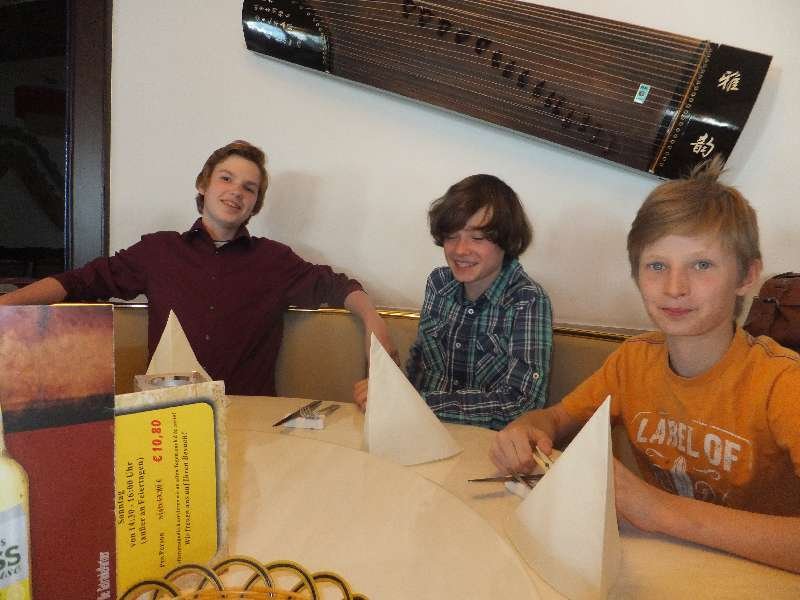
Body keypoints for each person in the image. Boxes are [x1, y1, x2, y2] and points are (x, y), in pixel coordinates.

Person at [490, 158, 800, 573]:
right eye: (657, 265)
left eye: (702, 265)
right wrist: (529, 427)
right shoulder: (633, 360)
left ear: (747, 276)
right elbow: (558, 418)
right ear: (637, 275)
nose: (674, 287)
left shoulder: (783, 382)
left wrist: (657, 510)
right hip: (662, 565)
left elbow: (656, 513)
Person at [0, 140, 395, 396]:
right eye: (226, 178)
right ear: (204, 185)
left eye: (249, 188)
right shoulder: (158, 251)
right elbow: (79, 281)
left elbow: (340, 287)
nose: (236, 191)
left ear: (255, 205)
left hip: (249, 416)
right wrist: (7, 305)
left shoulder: (274, 261)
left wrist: (374, 325)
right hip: (167, 416)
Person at [355, 174, 552, 430]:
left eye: (477, 238)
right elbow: (418, 367)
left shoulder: (528, 300)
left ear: (508, 239)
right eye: (451, 236)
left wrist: (414, 402)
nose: (460, 250)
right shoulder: (438, 284)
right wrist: (388, 388)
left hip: (489, 444)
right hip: (422, 431)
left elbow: (522, 404)